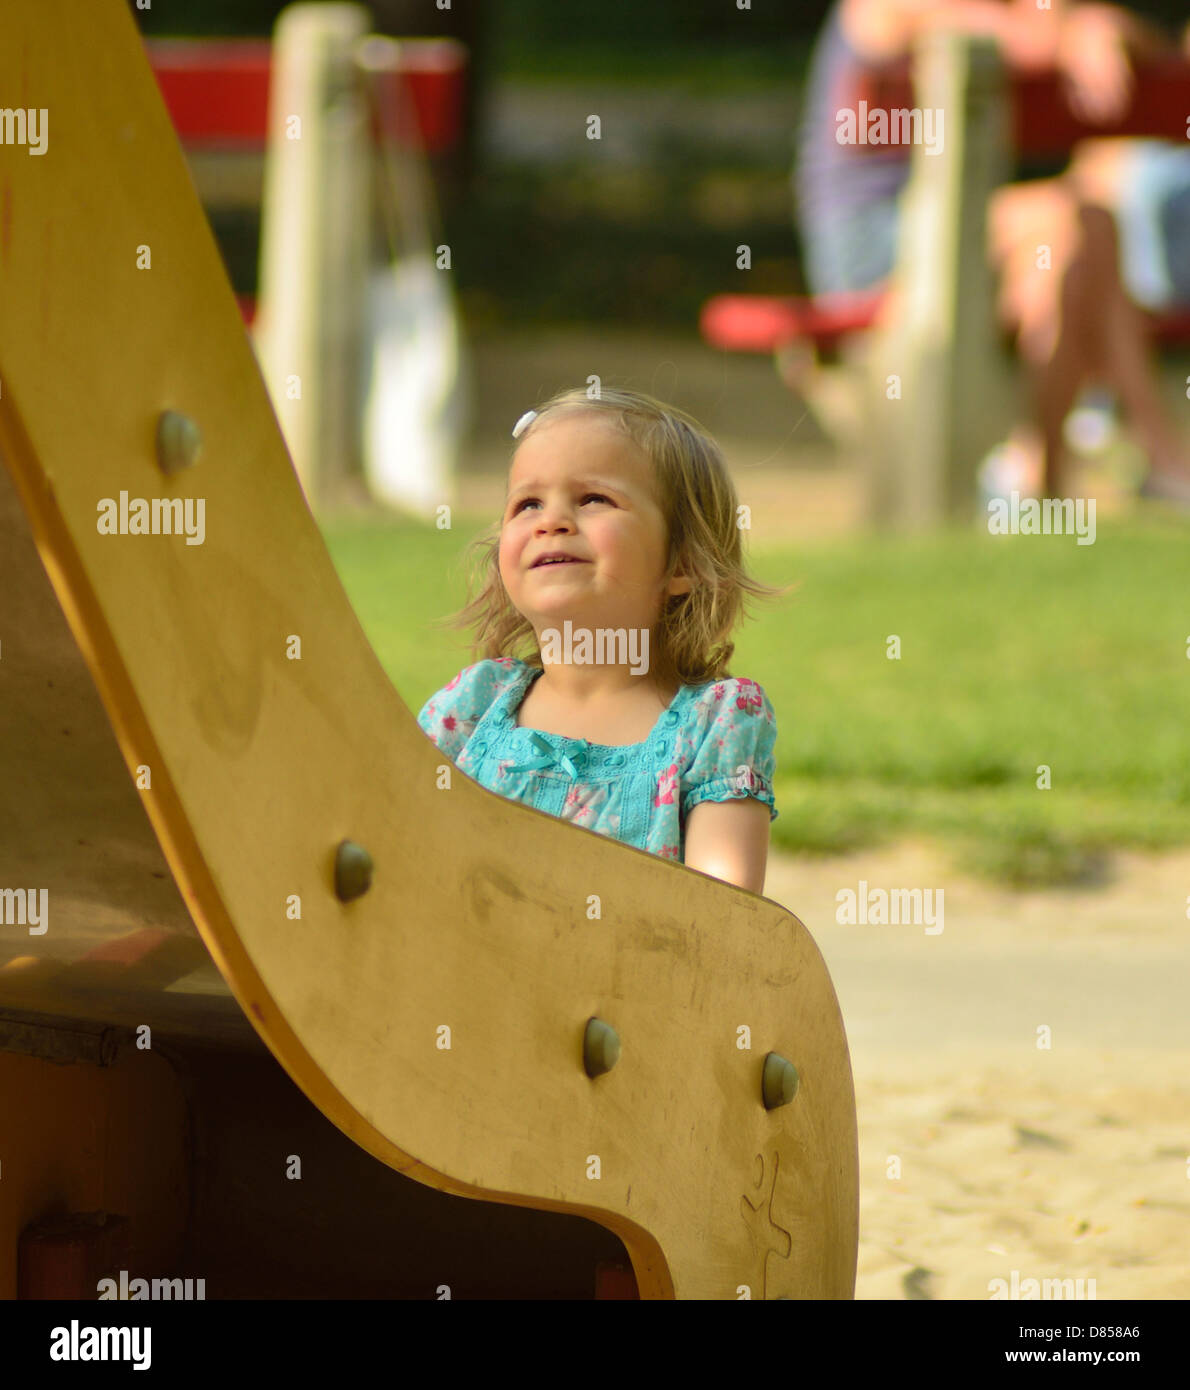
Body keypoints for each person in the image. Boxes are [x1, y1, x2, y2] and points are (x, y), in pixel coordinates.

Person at [794, 0, 1190, 501]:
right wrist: (1079, 25)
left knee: (1083, 228)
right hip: (873, 242)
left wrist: (1101, 26)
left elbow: (1156, 57)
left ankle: (1041, 480)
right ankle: (1119, 460)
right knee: (1062, 222)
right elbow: (1028, 42)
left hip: (962, 229)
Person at [416, 388, 793, 895]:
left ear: (683, 562)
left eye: (594, 499)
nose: (551, 522)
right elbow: (398, 854)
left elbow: (722, 928)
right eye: (527, 503)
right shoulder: (473, 705)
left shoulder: (714, 724)